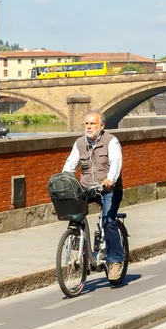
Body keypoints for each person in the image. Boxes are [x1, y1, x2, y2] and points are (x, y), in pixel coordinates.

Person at [62, 110, 124, 280]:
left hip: (109, 188)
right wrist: (65, 179)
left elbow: (116, 162)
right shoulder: (80, 143)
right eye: (87, 124)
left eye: (92, 124)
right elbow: (70, 164)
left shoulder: (111, 141)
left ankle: (115, 261)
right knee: (74, 216)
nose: (89, 127)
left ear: (101, 126)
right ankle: (77, 251)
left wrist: (111, 179)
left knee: (108, 221)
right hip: (87, 187)